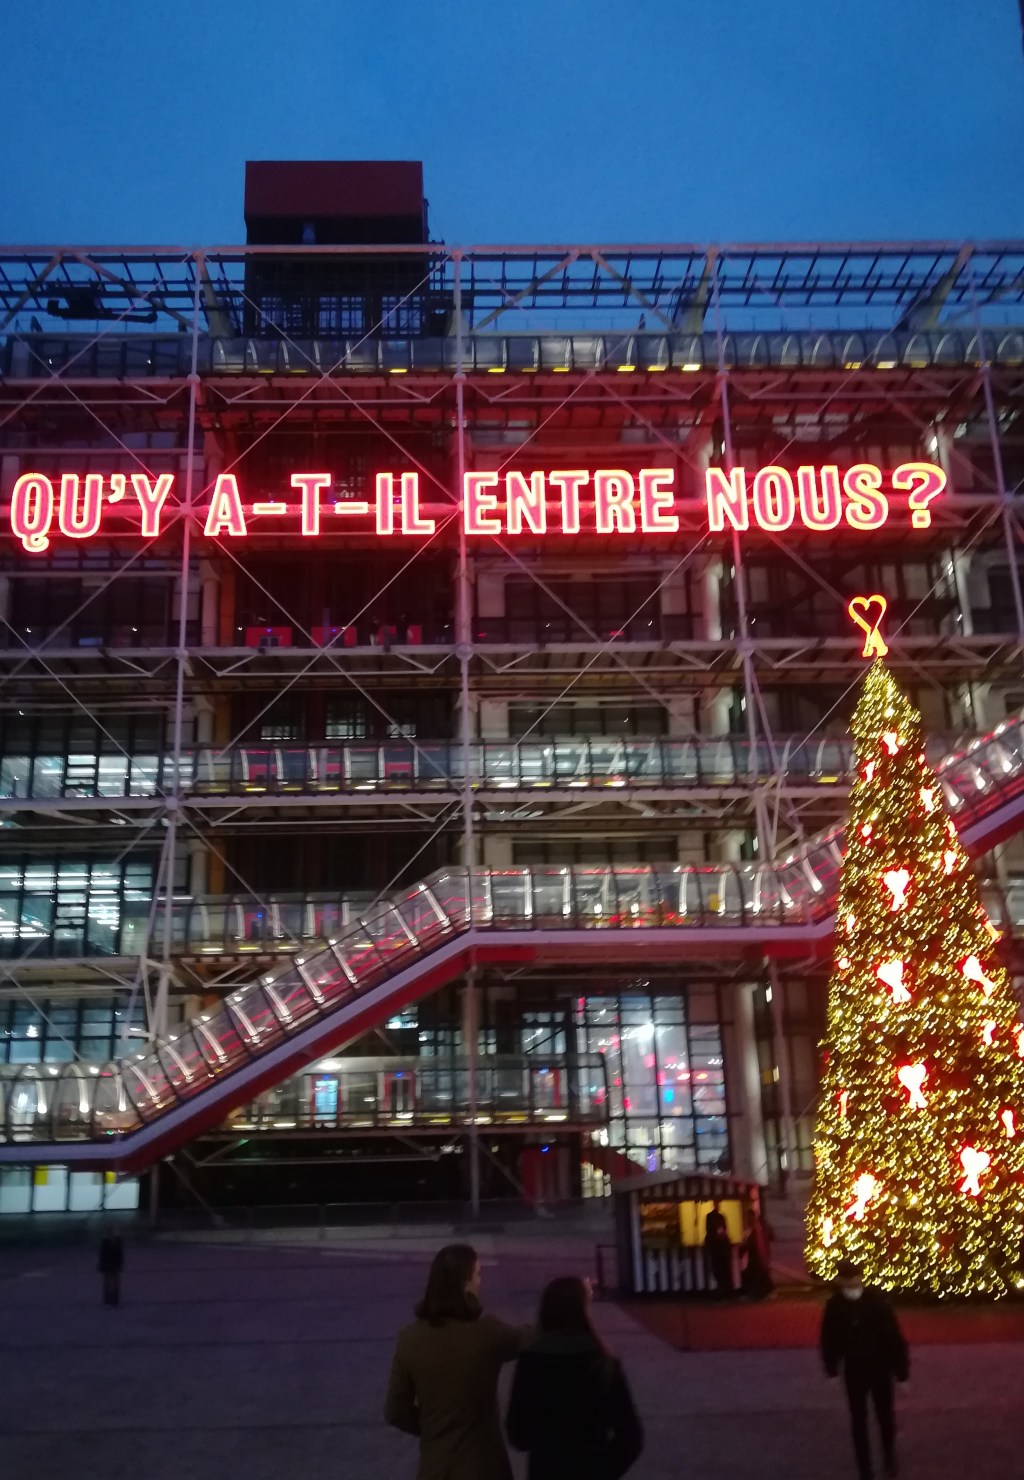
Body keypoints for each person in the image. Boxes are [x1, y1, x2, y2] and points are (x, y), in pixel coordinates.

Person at [385, 1243, 526, 1480]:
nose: (480, 1282)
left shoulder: (409, 1338)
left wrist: (431, 1428)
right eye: (478, 1275)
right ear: (465, 1285)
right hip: (483, 1467)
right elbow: (535, 1339)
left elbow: (395, 1410)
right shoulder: (486, 1333)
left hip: (436, 1467)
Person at [507, 1275, 643, 1480]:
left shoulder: (531, 1360)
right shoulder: (603, 1361)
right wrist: (604, 1469)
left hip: (546, 1469)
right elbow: (631, 1437)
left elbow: (517, 1435)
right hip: (591, 1466)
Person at [820, 1258, 909, 1480]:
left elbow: (893, 1337)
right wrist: (901, 1372)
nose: (851, 1282)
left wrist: (901, 1371)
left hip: (869, 1368)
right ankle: (873, 1464)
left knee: (877, 1417)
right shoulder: (872, 1301)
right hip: (865, 1368)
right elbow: (829, 1339)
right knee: (866, 1418)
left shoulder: (844, 1304)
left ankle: (882, 1460)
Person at [740, 1207, 774, 1300]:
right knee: (758, 1273)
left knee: (756, 1274)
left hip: (754, 1256)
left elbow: (751, 1243)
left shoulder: (753, 1230)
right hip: (755, 1255)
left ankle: (759, 1293)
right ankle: (762, 1292)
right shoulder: (755, 1229)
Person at [704, 1199, 734, 1295]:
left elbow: (709, 1230)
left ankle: (721, 1289)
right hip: (718, 1248)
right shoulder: (719, 1217)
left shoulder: (711, 1217)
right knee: (721, 1270)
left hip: (716, 1248)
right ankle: (724, 1289)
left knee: (718, 1270)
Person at [97, 1231, 124, 1307]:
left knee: (112, 1283)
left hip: (111, 1266)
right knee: (110, 1283)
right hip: (110, 1266)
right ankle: (110, 1300)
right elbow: (103, 1255)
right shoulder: (114, 1242)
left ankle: (111, 1300)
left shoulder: (108, 1242)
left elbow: (103, 1255)